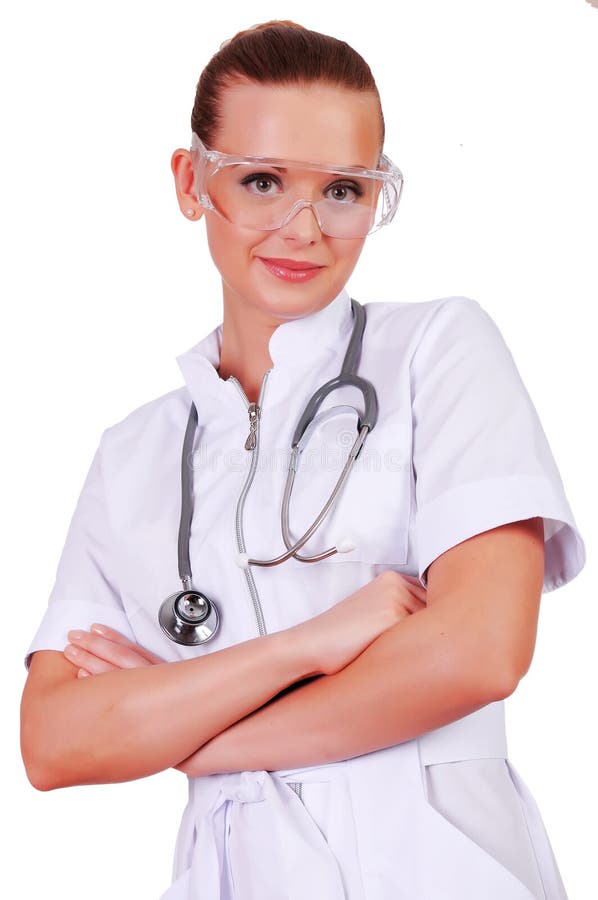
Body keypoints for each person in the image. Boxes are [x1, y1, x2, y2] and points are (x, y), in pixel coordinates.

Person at [20, 20, 585, 900]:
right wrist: (319, 642)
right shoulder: (135, 454)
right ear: (190, 182)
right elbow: (55, 742)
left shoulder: (437, 350)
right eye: (261, 181)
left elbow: (479, 651)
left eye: (345, 191)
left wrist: (189, 732)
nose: (305, 228)